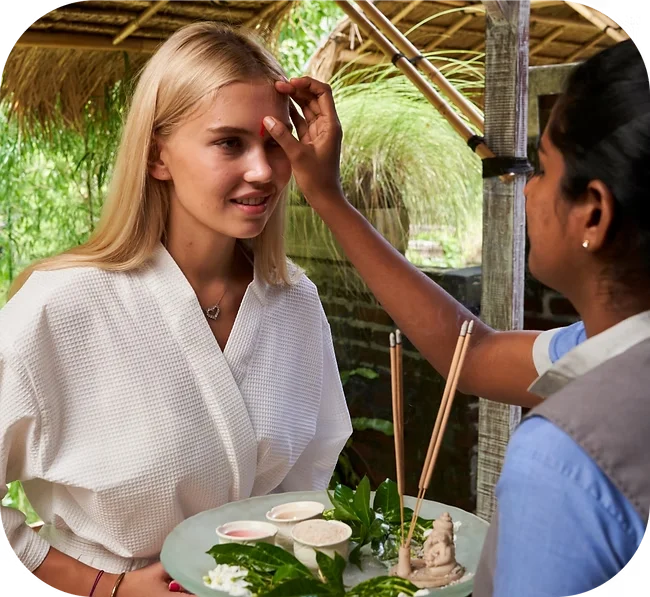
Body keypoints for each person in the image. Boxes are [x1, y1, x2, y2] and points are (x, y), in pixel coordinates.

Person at [263, 37, 650, 596]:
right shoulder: (607, 349)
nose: (527, 192)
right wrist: (328, 197)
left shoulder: (564, 459)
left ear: (593, 211)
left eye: (541, 169)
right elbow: (474, 355)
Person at [0, 22, 352, 597]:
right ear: (157, 155)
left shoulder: (294, 303)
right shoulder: (61, 308)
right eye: (229, 143)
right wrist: (104, 586)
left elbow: (307, 491)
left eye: (274, 142)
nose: (263, 170)